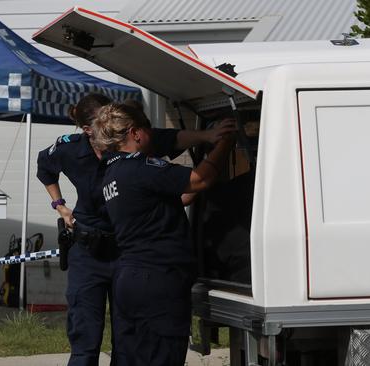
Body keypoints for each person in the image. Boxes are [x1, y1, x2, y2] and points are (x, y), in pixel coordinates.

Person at [36, 93, 234, 366]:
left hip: (125, 258)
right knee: (87, 342)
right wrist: (60, 205)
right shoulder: (94, 154)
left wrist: (207, 136)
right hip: (105, 258)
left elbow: (173, 141)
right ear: (87, 129)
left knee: (127, 348)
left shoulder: (118, 165)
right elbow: (198, 180)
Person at [94, 103, 236, 366]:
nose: (153, 135)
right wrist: (224, 144)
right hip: (158, 279)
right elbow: (199, 180)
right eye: (148, 129)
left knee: (130, 357)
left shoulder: (112, 174)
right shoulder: (141, 167)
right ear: (136, 133)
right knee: (162, 356)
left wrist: (205, 150)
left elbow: (181, 195)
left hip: (129, 279)